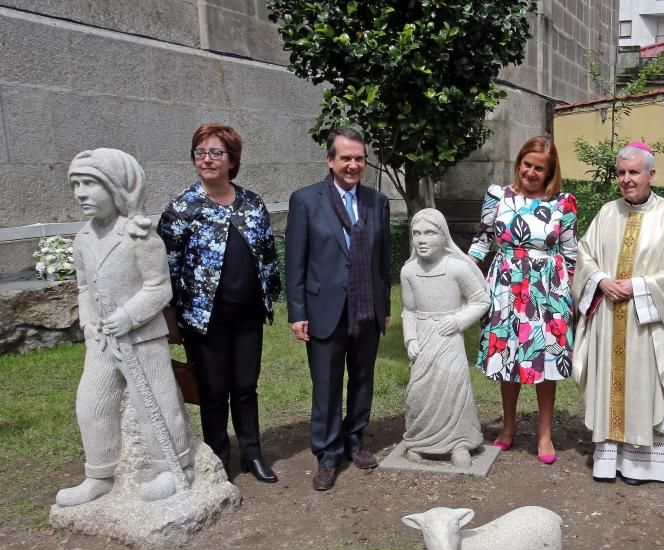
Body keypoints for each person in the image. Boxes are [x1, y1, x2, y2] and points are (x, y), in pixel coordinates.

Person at [57, 148, 193, 506]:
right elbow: (84, 287)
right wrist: (90, 324)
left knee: (158, 403)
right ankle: (99, 473)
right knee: (92, 402)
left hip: (142, 337)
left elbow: (159, 288)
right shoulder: (83, 239)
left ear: (117, 187)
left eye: (90, 184)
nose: (81, 193)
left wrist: (129, 316)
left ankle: (174, 466)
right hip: (103, 340)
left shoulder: (140, 236)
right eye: (76, 185)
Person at [158, 123, 282, 483]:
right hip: (202, 319)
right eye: (200, 152)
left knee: (245, 386)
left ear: (232, 161)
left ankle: (252, 454)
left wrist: (269, 294)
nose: (207, 159)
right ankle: (217, 457)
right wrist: (169, 316)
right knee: (213, 391)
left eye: (216, 153)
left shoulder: (251, 202)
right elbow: (165, 265)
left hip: (247, 315)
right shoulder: (182, 207)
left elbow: (268, 254)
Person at [572, 142, 664, 485]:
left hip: (647, 324)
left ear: (651, 175)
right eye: (622, 172)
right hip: (609, 320)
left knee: (645, 386)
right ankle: (609, 462)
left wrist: (638, 286)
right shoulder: (608, 213)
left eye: (633, 172)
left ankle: (644, 467)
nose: (626, 179)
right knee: (611, 385)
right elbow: (585, 255)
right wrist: (600, 280)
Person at [285, 127, 391, 492]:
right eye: (345, 158)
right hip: (324, 308)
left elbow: (383, 260)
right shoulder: (305, 200)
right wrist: (297, 311)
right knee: (327, 385)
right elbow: (295, 261)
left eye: (359, 158)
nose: (353, 164)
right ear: (330, 160)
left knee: (363, 379)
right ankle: (328, 454)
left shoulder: (378, 202)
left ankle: (355, 440)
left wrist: (385, 306)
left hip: (367, 308)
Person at [468, 136, 577, 464]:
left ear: (550, 172)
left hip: (547, 291)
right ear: (519, 163)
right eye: (527, 164)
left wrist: (568, 297)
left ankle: (544, 433)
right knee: (508, 358)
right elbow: (483, 241)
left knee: (544, 361)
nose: (530, 172)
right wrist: (460, 270)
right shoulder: (498, 197)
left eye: (539, 168)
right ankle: (509, 426)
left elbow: (570, 253)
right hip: (505, 286)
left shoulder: (563, 204)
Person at [400, 208, 490, 467]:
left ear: (443, 236)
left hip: (449, 338)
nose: (422, 239)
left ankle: (459, 443)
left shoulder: (457, 268)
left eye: (429, 233)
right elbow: (409, 310)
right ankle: (418, 441)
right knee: (418, 391)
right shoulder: (409, 272)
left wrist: (459, 321)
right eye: (416, 233)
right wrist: (410, 339)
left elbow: (481, 300)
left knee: (453, 387)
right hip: (424, 338)